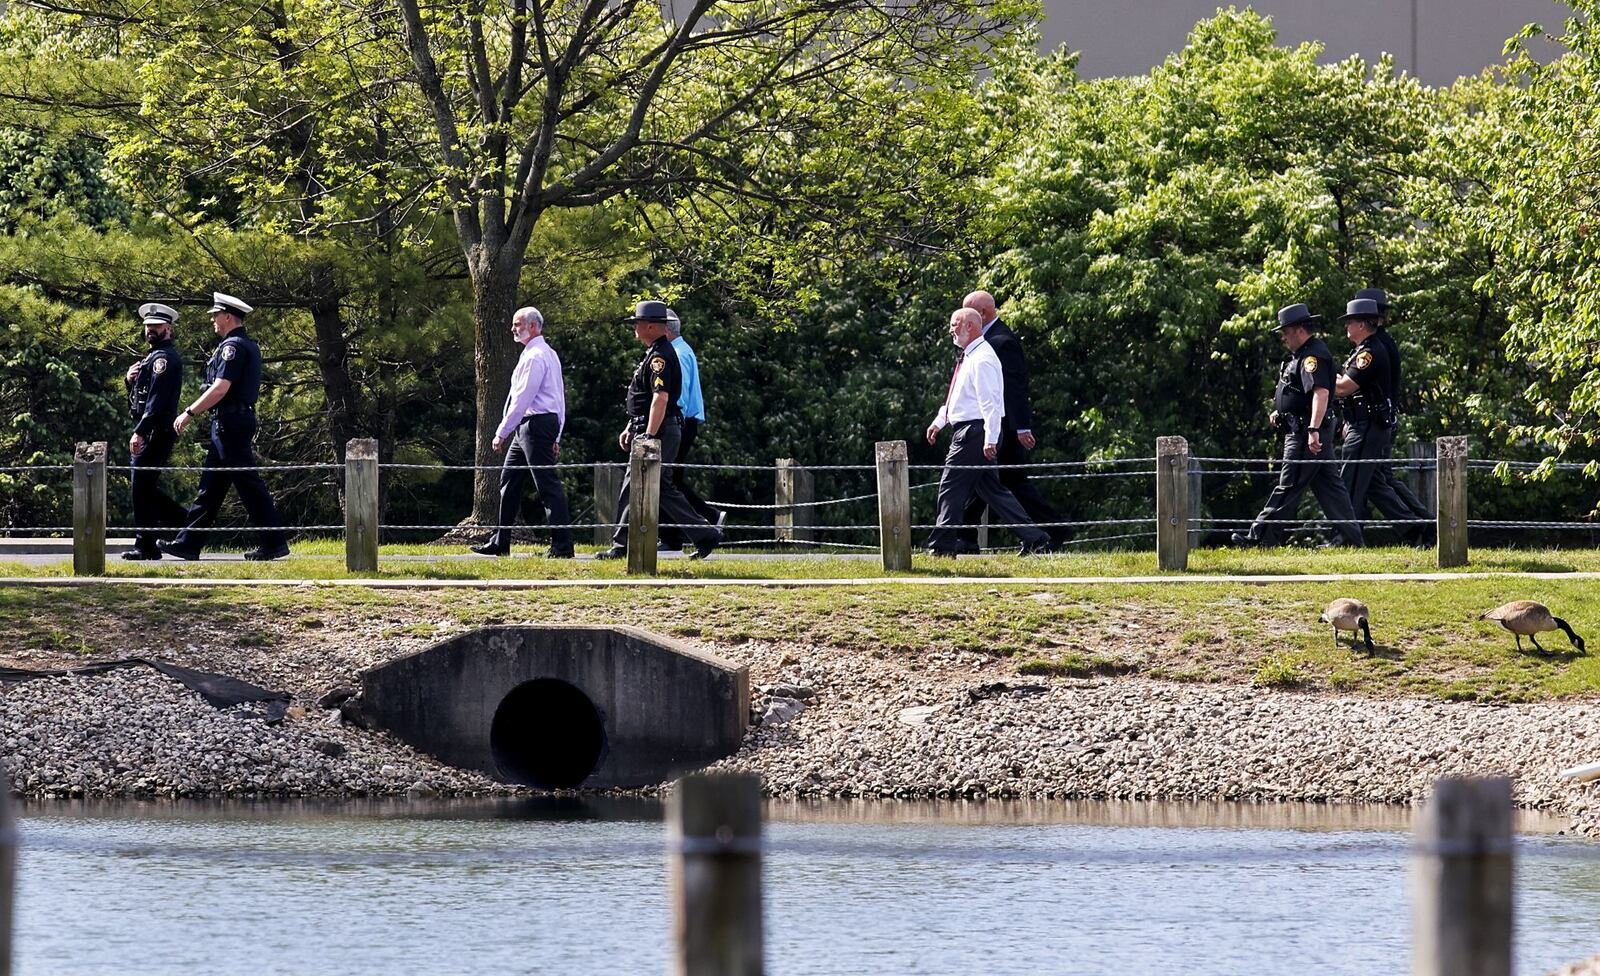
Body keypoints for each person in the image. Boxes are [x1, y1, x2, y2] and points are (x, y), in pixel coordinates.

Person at [158, 292, 290, 561]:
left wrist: (189, 412)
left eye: (215, 316)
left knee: (248, 484)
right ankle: (188, 543)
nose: (212, 321)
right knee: (211, 487)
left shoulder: (234, 347)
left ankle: (274, 542)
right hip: (228, 422)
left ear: (228, 316)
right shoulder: (238, 344)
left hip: (231, 422)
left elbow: (220, 388)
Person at [1229, 303, 1365, 548]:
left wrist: (1313, 430)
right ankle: (1351, 540)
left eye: (1286, 332)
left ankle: (1259, 538)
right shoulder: (1302, 355)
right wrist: (1281, 410)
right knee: (1331, 489)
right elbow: (1299, 392)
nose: (1283, 337)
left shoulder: (1312, 356)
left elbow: (1321, 393)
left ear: (1299, 330)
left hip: (1305, 432)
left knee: (1288, 485)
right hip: (1303, 427)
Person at [595, 301, 721, 560]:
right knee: (652, 487)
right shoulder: (656, 351)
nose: (635, 329)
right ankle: (702, 534)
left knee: (646, 485)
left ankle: (623, 545)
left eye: (637, 324)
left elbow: (660, 398)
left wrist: (650, 436)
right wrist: (633, 425)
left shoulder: (660, 356)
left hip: (659, 429)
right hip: (652, 426)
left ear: (651, 326)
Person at [926, 308, 1053, 556]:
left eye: (955, 324)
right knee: (993, 491)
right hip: (974, 431)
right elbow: (960, 399)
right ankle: (1036, 538)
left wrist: (990, 438)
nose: (951, 329)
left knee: (950, 487)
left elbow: (990, 403)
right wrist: (940, 421)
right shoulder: (970, 357)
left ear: (971, 326)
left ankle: (942, 545)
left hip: (973, 434)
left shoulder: (982, 358)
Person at [958, 290, 1067, 550]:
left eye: (969, 315)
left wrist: (1021, 426)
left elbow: (1014, 387)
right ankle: (964, 537)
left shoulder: (1001, 341)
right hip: (988, 426)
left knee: (1009, 481)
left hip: (1002, 426)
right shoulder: (985, 340)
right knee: (982, 484)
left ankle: (1053, 531)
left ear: (982, 314)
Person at [471, 306, 573, 558]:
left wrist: (501, 432)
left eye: (518, 325)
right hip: (534, 425)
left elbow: (522, 399)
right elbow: (559, 397)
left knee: (547, 485)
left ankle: (562, 546)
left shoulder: (535, 357)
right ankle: (500, 541)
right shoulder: (546, 353)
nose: (513, 329)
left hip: (534, 425)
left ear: (534, 327)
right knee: (509, 481)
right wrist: (557, 433)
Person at [1333, 298, 1429, 542]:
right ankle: (1414, 527)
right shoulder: (1365, 349)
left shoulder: (1370, 352)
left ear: (1364, 324)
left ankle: (1344, 538)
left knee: (1351, 481)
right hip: (1363, 425)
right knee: (1375, 484)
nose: (1347, 326)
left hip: (1367, 427)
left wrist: (1322, 377)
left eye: (1350, 322)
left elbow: (1344, 387)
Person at [121, 303, 189, 560]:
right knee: (143, 487)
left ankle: (146, 544)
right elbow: (140, 398)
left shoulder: (164, 359)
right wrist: (129, 380)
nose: (151, 330)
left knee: (141, 487)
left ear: (168, 329)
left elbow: (157, 402)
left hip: (155, 430)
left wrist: (140, 431)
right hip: (149, 428)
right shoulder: (151, 357)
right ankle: (185, 521)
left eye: (157, 326)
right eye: (148, 326)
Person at [657, 308, 722, 552]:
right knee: (671, 480)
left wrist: (669, 422)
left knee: (666, 480)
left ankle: (704, 519)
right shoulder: (684, 350)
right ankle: (679, 532)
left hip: (680, 422)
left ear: (666, 330)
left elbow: (678, 395)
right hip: (684, 421)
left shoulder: (676, 354)